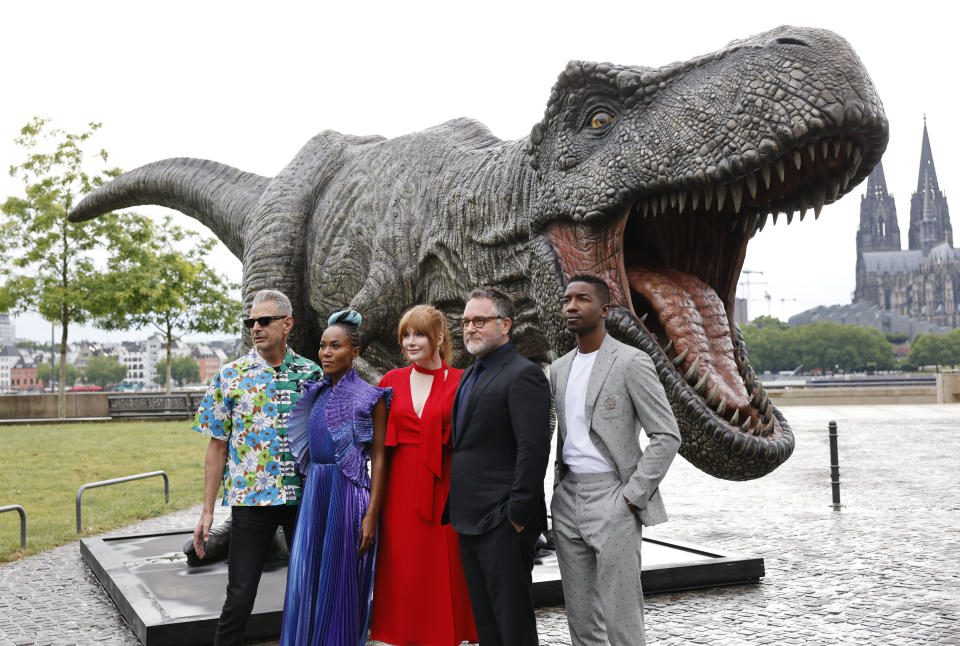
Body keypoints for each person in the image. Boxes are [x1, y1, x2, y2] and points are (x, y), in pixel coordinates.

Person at [550, 275, 681, 646]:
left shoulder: (631, 362)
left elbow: (667, 435)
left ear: (605, 310)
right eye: (566, 300)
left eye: (582, 299)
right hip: (568, 498)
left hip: (614, 495)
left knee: (621, 615)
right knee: (580, 617)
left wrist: (631, 496)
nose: (571, 306)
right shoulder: (558, 369)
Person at [192, 289, 323, 646]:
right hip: (251, 503)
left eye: (265, 321)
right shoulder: (230, 376)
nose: (256, 328)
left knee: (309, 590)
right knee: (239, 595)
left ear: (287, 323)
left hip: (303, 500)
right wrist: (207, 512)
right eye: (251, 322)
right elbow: (216, 446)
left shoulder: (312, 374)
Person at [443, 286, 551, 646]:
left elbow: (533, 450)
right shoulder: (470, 373)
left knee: (513, 623)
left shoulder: (524, 374)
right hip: (469, 518)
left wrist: (516, 516)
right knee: (485, 623)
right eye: (465, 322)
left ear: (505, 324)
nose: (470, 328)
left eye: (480, 320)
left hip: (503, 522)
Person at [278, 309, 391, 646]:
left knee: (341, 579)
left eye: (335, 346)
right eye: (323, 346)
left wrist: (371, 514)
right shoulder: (314, 393)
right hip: (316, 493)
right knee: (306, 577)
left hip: (348, 495)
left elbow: (381, 459)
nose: (325, 353)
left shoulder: (372, 397)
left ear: (354, 352)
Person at [370, 305, 478, 646]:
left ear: (439, 337)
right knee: (403, 564)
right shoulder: (391, 381)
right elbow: (379, 450)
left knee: (446, 563)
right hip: (400, 487)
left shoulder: (462, 381)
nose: (410, 342)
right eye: (406, 335)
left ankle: (448, 631)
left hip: (446, 484)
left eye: (419, 334)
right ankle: (403, 632)